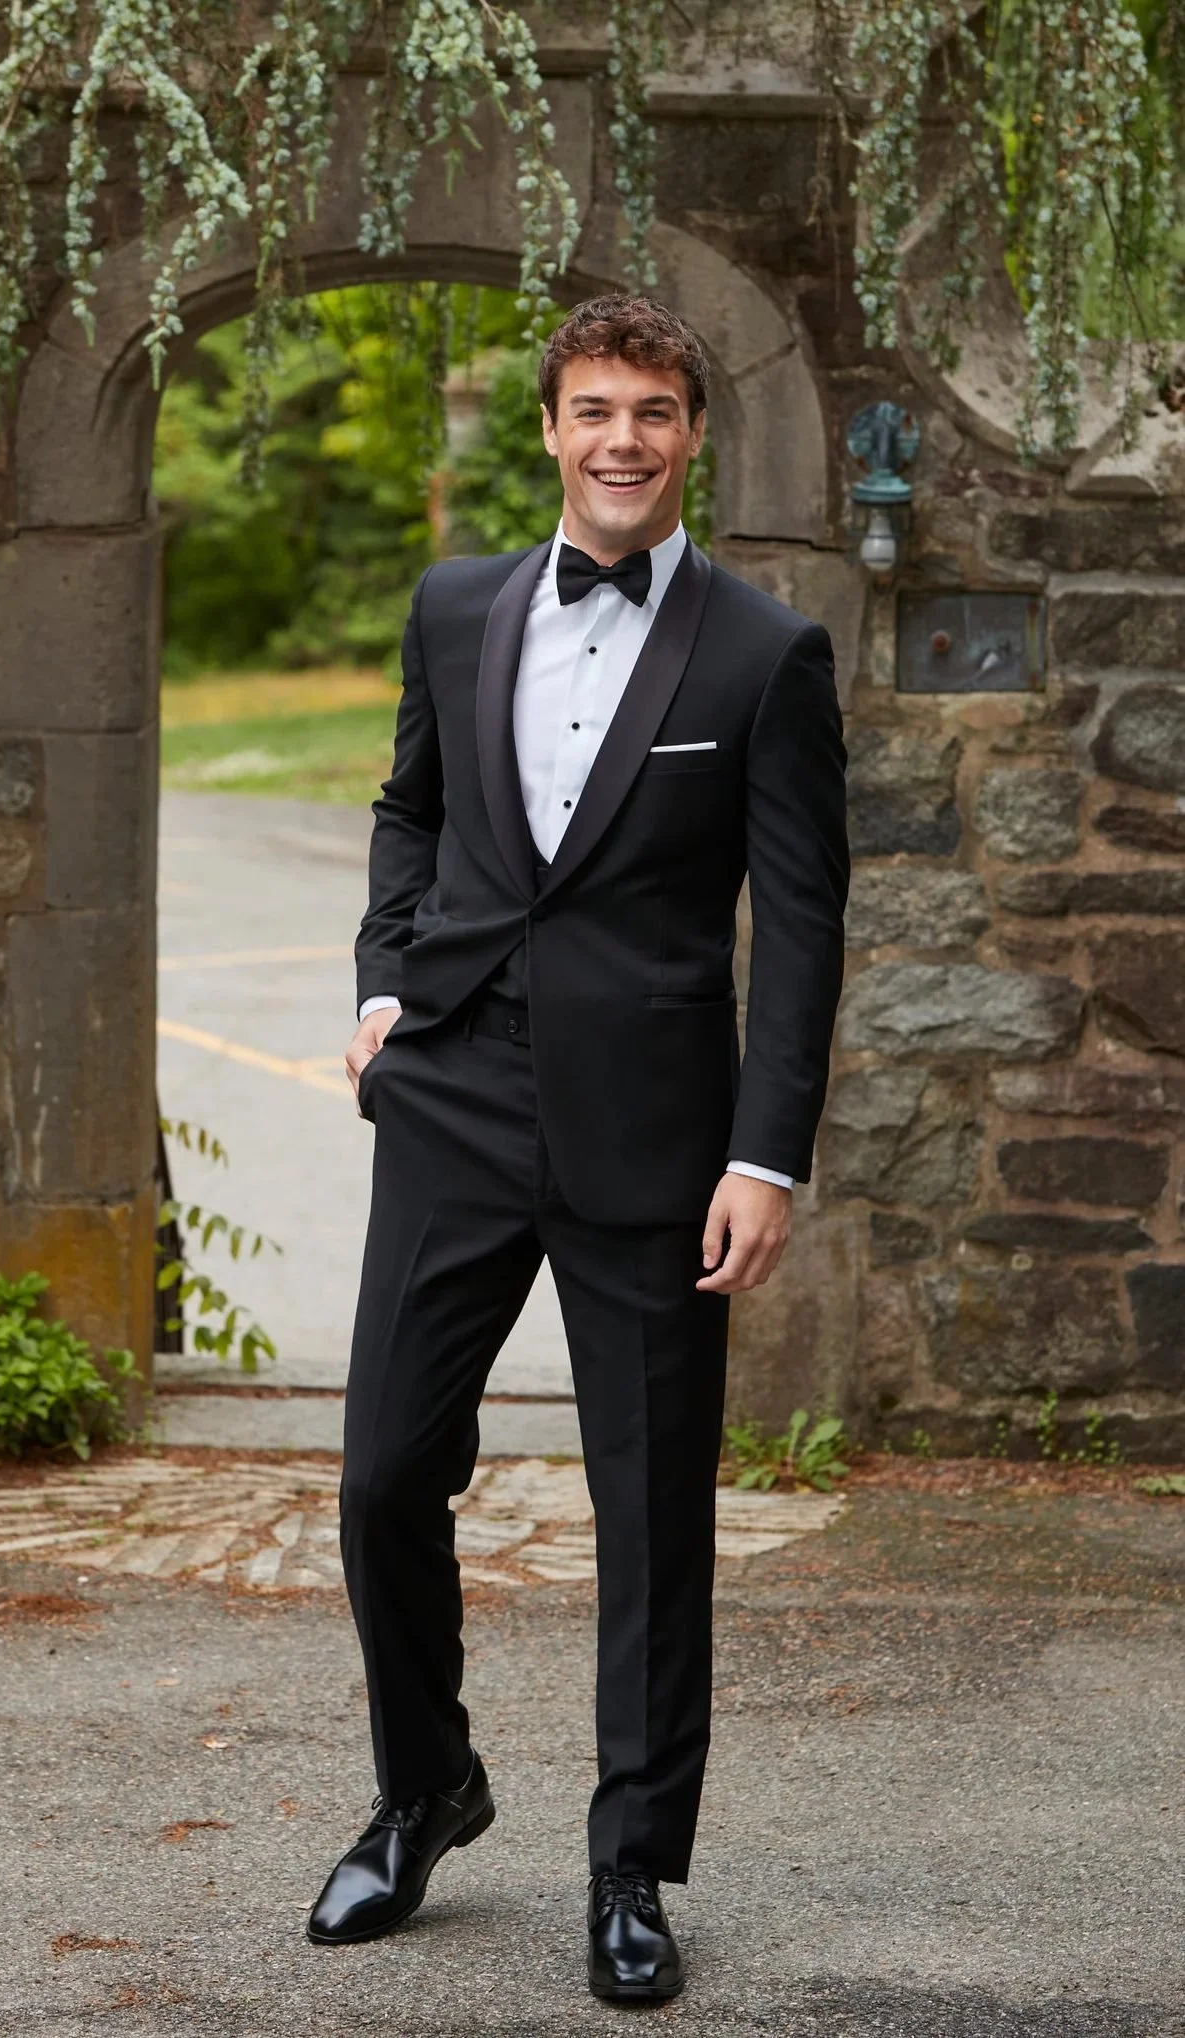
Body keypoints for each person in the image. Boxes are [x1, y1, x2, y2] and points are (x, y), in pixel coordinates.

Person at [306, 293, 850, 2004]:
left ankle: (631, 1863)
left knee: (649, 1514)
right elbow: (410, 810)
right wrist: (390, 986)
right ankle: (425, 1787)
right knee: (386, 1471)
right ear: (550, 427)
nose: (624, 441)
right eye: (596, 410)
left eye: (658, 413)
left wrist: (767, 1156)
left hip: (661, 1144)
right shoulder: (453, 607)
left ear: (695, 435)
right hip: (454, 1096)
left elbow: (805, 922)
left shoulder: (766, 651)